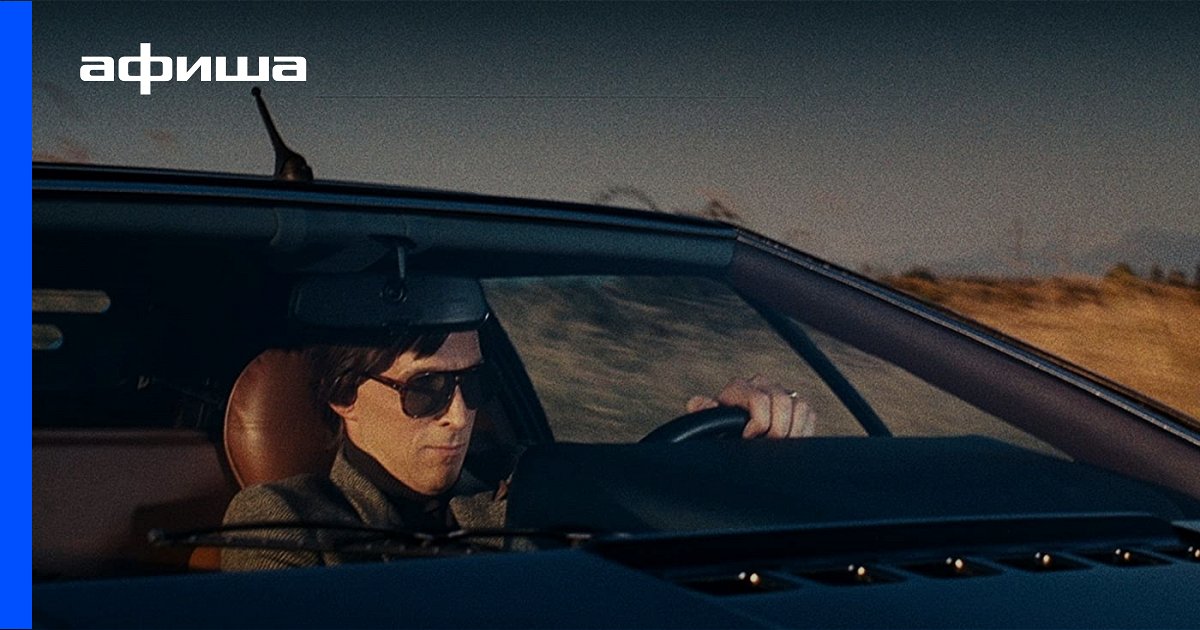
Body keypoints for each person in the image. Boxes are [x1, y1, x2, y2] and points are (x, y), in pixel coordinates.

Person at [221, 328, 816, 571]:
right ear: (344, 395)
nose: (460, 415)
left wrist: (734, 446)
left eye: (474, 384)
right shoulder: (281, 519)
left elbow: (627, 496)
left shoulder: (518, 474)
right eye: (426, 390)